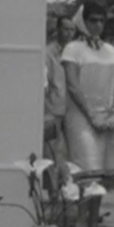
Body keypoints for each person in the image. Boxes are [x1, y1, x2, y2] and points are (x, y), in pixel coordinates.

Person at [62, 2, 114, 227]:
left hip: (107, 115)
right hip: (81, 115)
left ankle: (93, 225)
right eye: (93, 20)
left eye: (102, 20)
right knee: (86, 171)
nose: (98, 25)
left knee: (100, 173)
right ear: (83, 21)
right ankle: (79, 223)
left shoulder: (111, 50)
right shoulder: (73, 49)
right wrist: (92, 115)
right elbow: (73, 85)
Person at [44, 15, 75, 193]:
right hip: (53, 109)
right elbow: (45, 83)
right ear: (58, 30)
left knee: (71, 154)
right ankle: (54, 195)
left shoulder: (75, 52)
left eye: (72, 30)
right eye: (66, 29)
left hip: (72, 111)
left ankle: (71, 194)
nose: (69, 33)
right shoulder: (48, 53)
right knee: (53, 154)